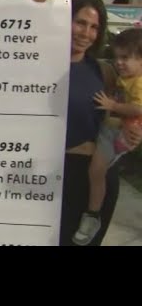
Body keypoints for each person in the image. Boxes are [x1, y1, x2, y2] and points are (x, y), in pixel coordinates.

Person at [28, 0, 142, 246]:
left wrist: (134, 136)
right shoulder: (35, 63)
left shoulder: (104, 71)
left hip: (95, 178)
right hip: (48, 175)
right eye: (80, 22)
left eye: (93, 27)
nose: (86, 33)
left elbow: (127, 113)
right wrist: (38, 5)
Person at [74, 27, 142, 245]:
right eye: (117, 57)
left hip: (115, 133)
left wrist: (113, 105)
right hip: (111, 130)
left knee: (97, 171)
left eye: (125, 58)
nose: (119, 62)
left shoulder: (138, 82)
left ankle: (92, 215)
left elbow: (139, 109)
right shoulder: (124, 78)